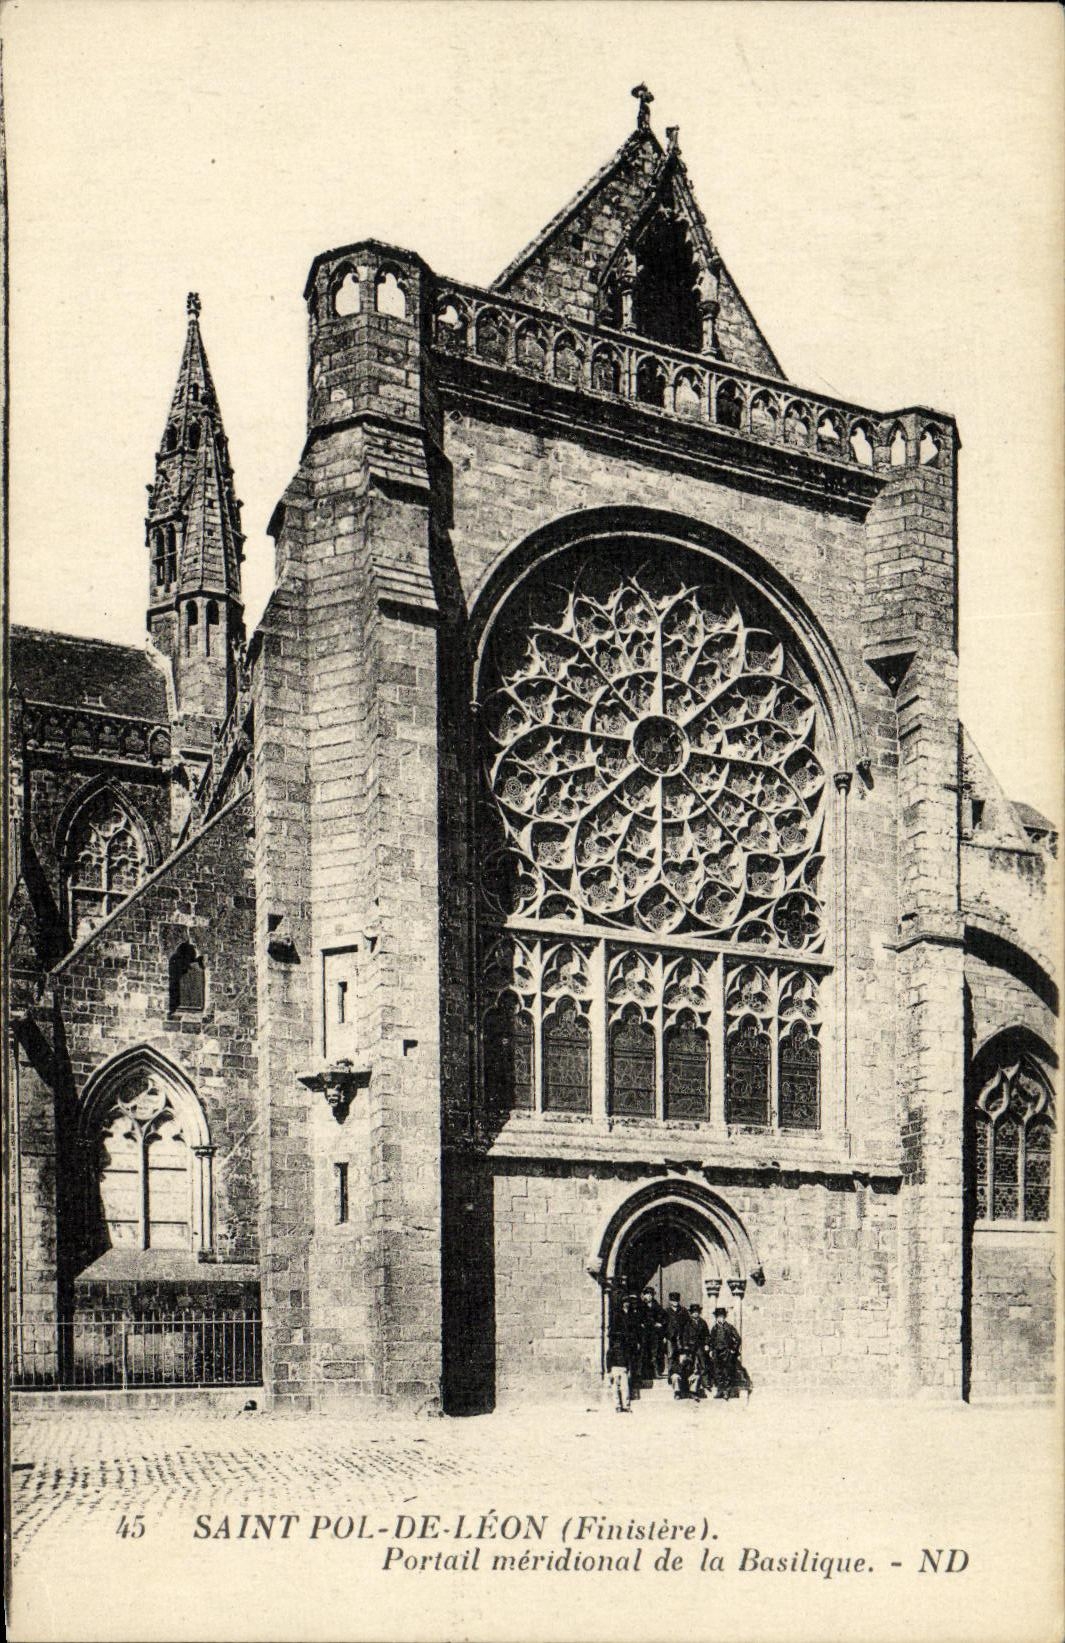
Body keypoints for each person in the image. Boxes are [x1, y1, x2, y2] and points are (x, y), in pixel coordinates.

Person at [606, 1293, 641, 1412]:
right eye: (625, 1302)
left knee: (630, 1361)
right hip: (621, 1345)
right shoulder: (618, 1315)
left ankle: (626, 1403)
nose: (627, 1304)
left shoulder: (632, 1315)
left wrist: (636, 1340)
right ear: (622, 1304)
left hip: (629, 1343)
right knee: (616, 1384)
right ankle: (618, 1405)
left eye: (628, 1302)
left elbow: (635, 1329)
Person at [664, 1291, 695, 1399]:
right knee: (671, 1356)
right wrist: (665, 1335)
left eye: (676, 1300)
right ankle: (671, 1375)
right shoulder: (666, 1311)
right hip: (670, 1338)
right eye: (673, 1301)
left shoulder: (683, 1311)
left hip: (681, 1338)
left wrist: (686, 1338)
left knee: (681, 1357)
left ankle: (682, 1377)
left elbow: (688, 1325)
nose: (675, 1303)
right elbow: (664, 1324)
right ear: (670, 1301)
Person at [707, 1305, 743, 1399]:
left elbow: (738, 1339)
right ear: (716, 1318)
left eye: (722, 1316)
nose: (720, 1318)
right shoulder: (714, 1328)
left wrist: (733, 1349)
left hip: (726, 1352)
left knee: (726, 1371)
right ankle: (720, 1390)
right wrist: (711, 1350)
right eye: (719, 1316)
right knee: (717, 1372)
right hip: (716, 1352)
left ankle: (727, 1391)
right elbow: (711, 1340)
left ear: (725, 1317)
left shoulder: (729, 1327)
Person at [636, 1285, 666, 1385]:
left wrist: (660, 1324)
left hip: (654, 1334)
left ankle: (656, 1372)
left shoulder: (657, 1306)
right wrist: (648, 1323)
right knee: (643, 1353)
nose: (649, 1296)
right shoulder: (640, 1306)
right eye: (647, 1294)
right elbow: (639, 1320)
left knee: (655, 1353)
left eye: (650, 1295)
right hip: (644, 1334)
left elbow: (663, 1318)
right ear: (644, 1295)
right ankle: (641, 1374)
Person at [686, 1302, 712, 1398]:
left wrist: (706, 1344)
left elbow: (707, 1335)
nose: (695, 1314)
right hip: (690, 1347)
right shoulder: (688, 1323)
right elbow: (684, 1336)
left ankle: (706, 1383)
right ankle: (690, 1386)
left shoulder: (703, 1322)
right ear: (691, 1313)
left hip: (700, 1346)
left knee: (703, 1364)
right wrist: (685, 1347)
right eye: (693, 1312)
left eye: (697, 1312)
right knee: (690, 1365)